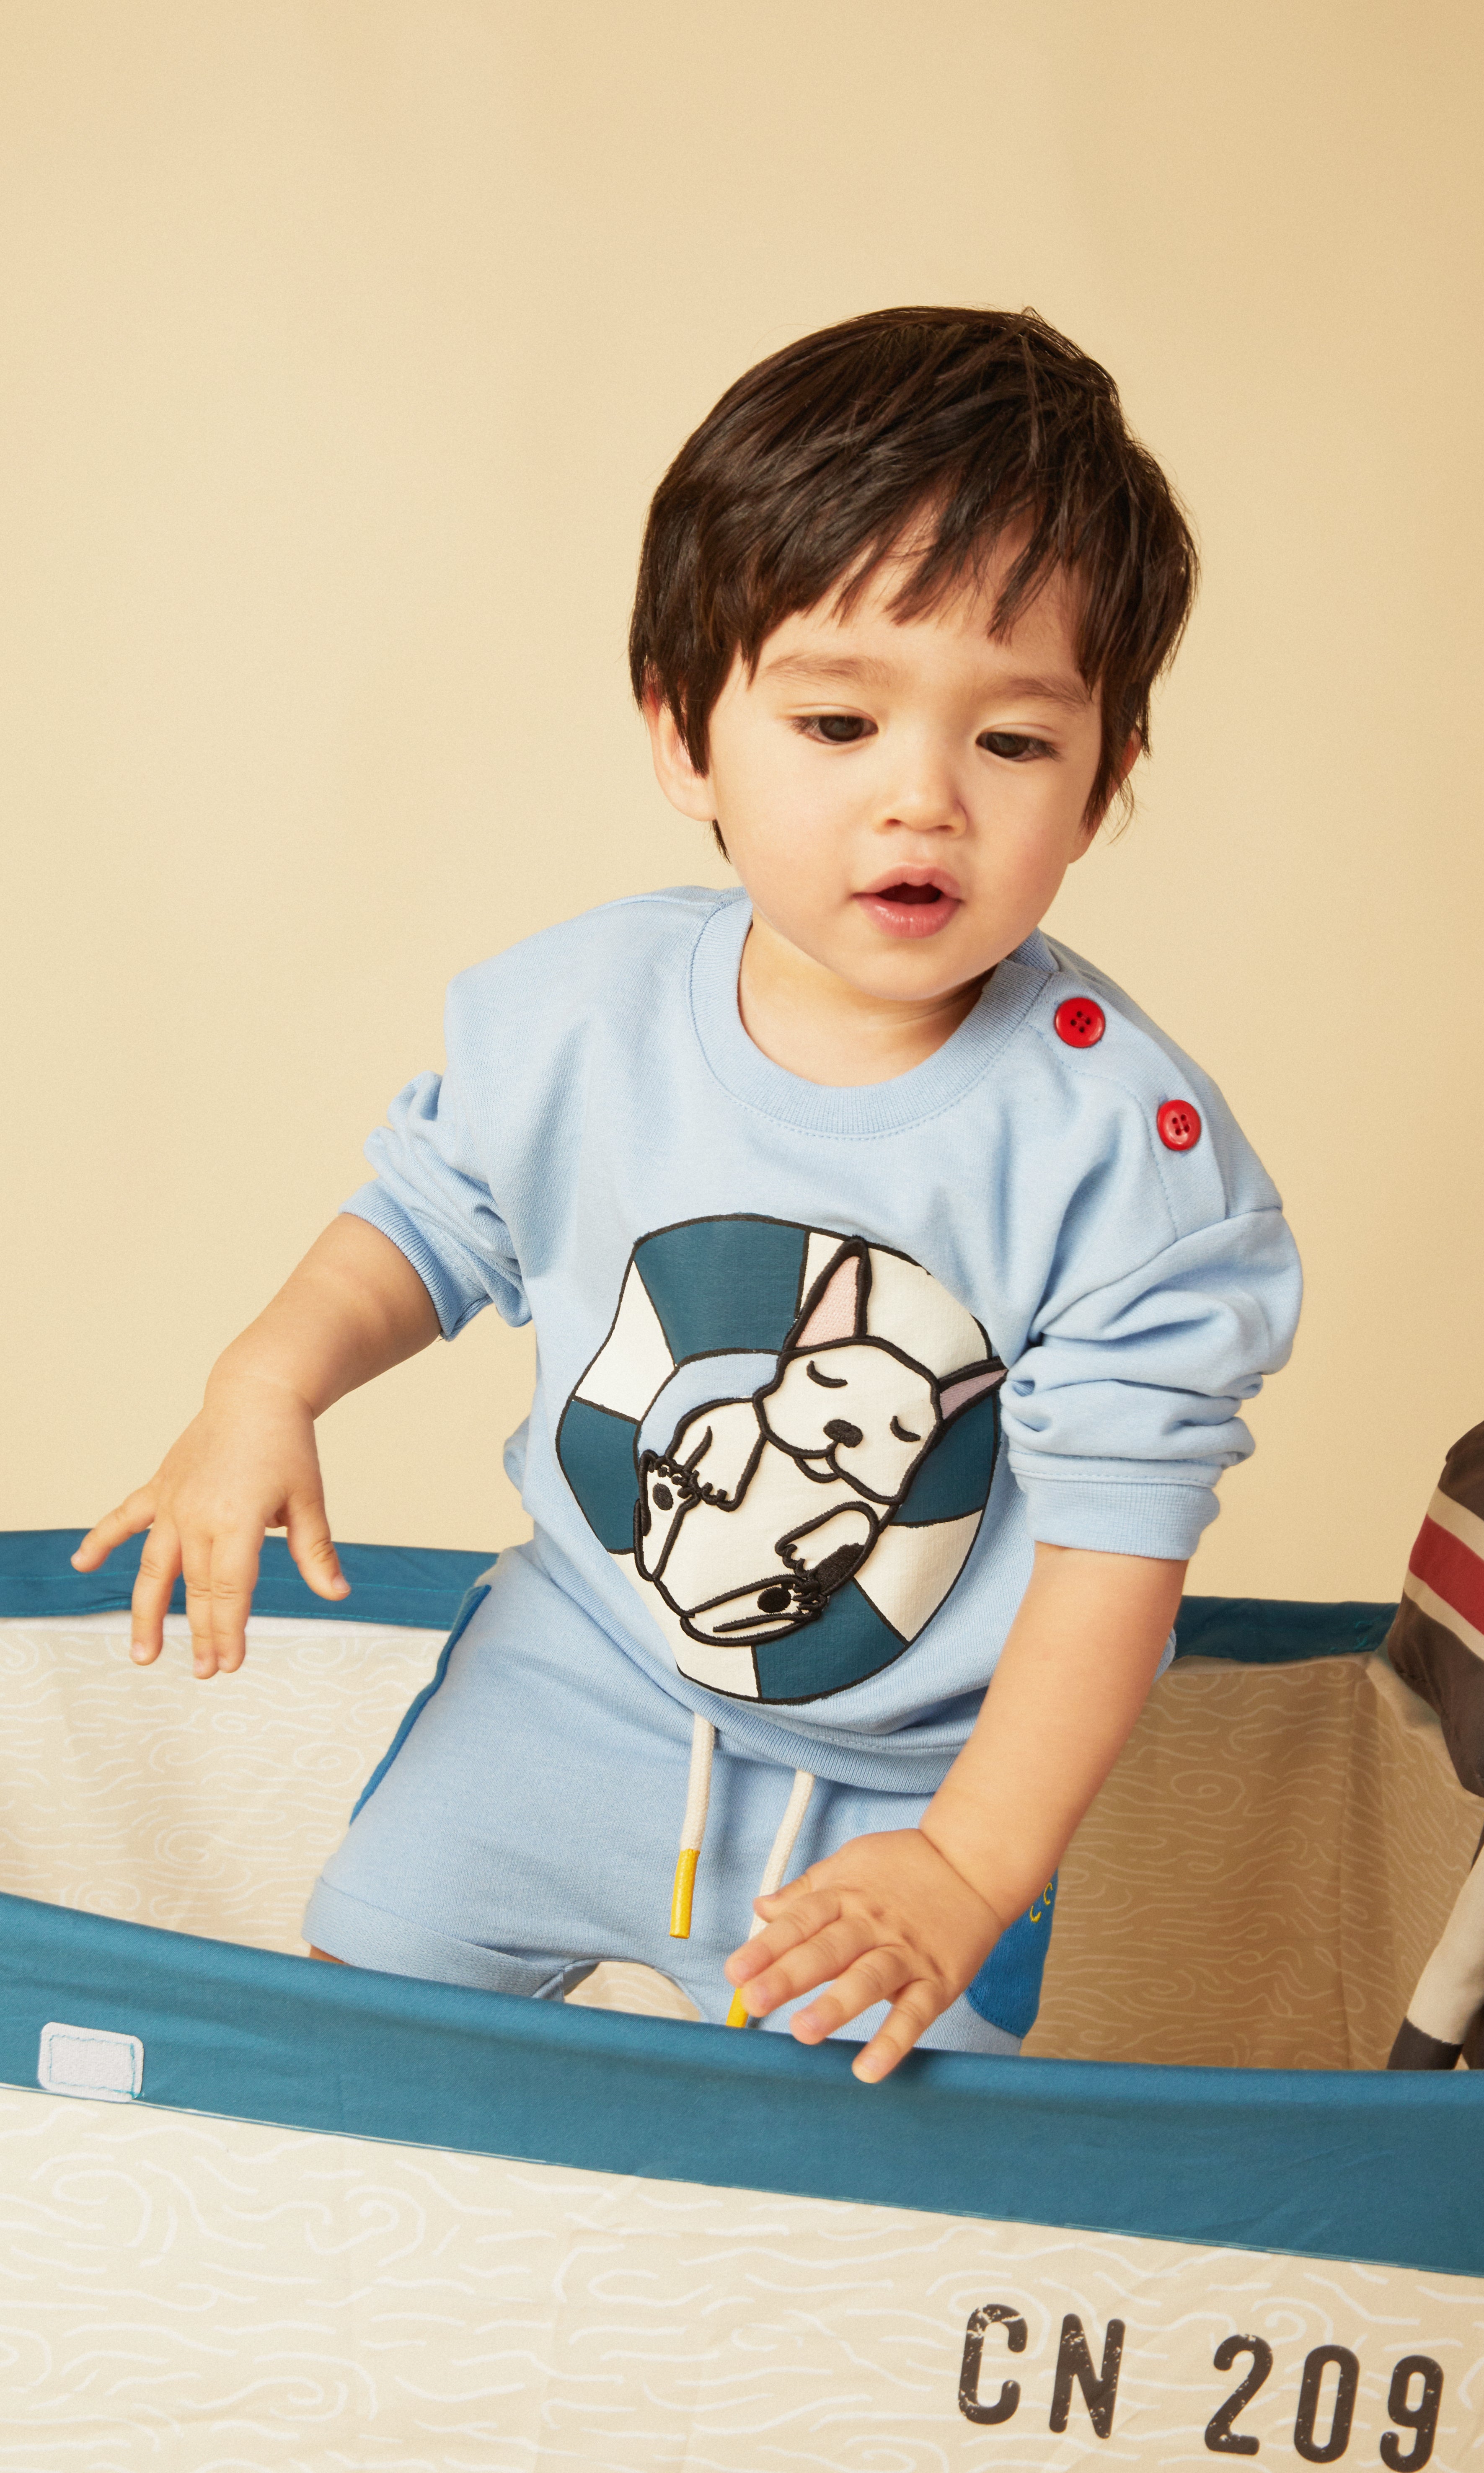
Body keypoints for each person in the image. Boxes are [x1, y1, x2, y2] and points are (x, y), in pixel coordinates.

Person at [72, 307, 1302, 2081]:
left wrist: (970, 1864)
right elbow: (426, 1220)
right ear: (685, 738)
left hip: (915, 1796)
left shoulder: (1129, 1157)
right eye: (835, 719)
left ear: (1107, 783)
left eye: (1014, 746)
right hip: (571, 1680)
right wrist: (265, 1383)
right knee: (353, 2062)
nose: (922, 801)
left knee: (898, 2212)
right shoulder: (584, 1013)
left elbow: (1121, 1555)